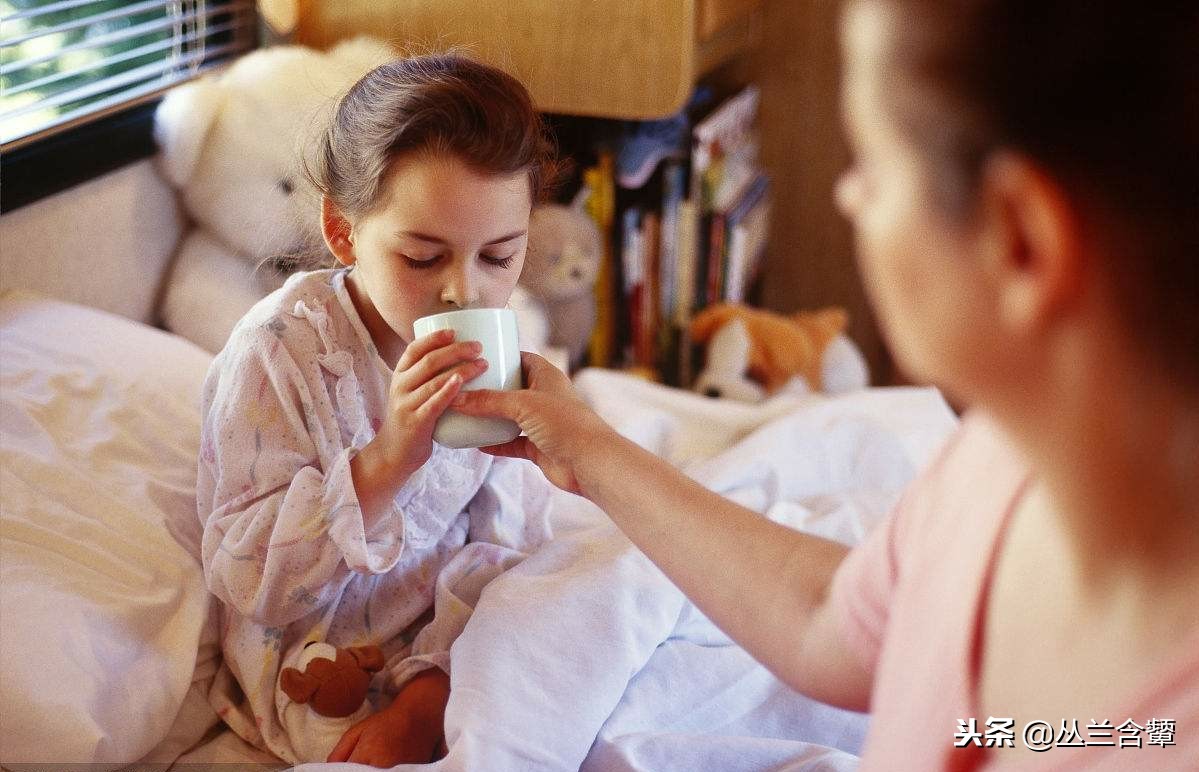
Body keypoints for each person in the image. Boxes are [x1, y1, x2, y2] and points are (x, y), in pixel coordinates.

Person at [453, 0, 1199, 768]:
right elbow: (831, 622)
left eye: (874, 166)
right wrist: (590, 451)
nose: (851, 198)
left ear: (1018, 240)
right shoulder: (1001, 459)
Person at [196, 52, 564, 766]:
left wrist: (438, 680)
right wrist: (388, 460)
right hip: (328, 647)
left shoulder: (494, 334)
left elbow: (502, 535)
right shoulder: (282, 352)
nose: (466, 293)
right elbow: (248, 580)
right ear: (342, 231)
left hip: (456, 624)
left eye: (500, 255)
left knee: (606, 598)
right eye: (423, 258)